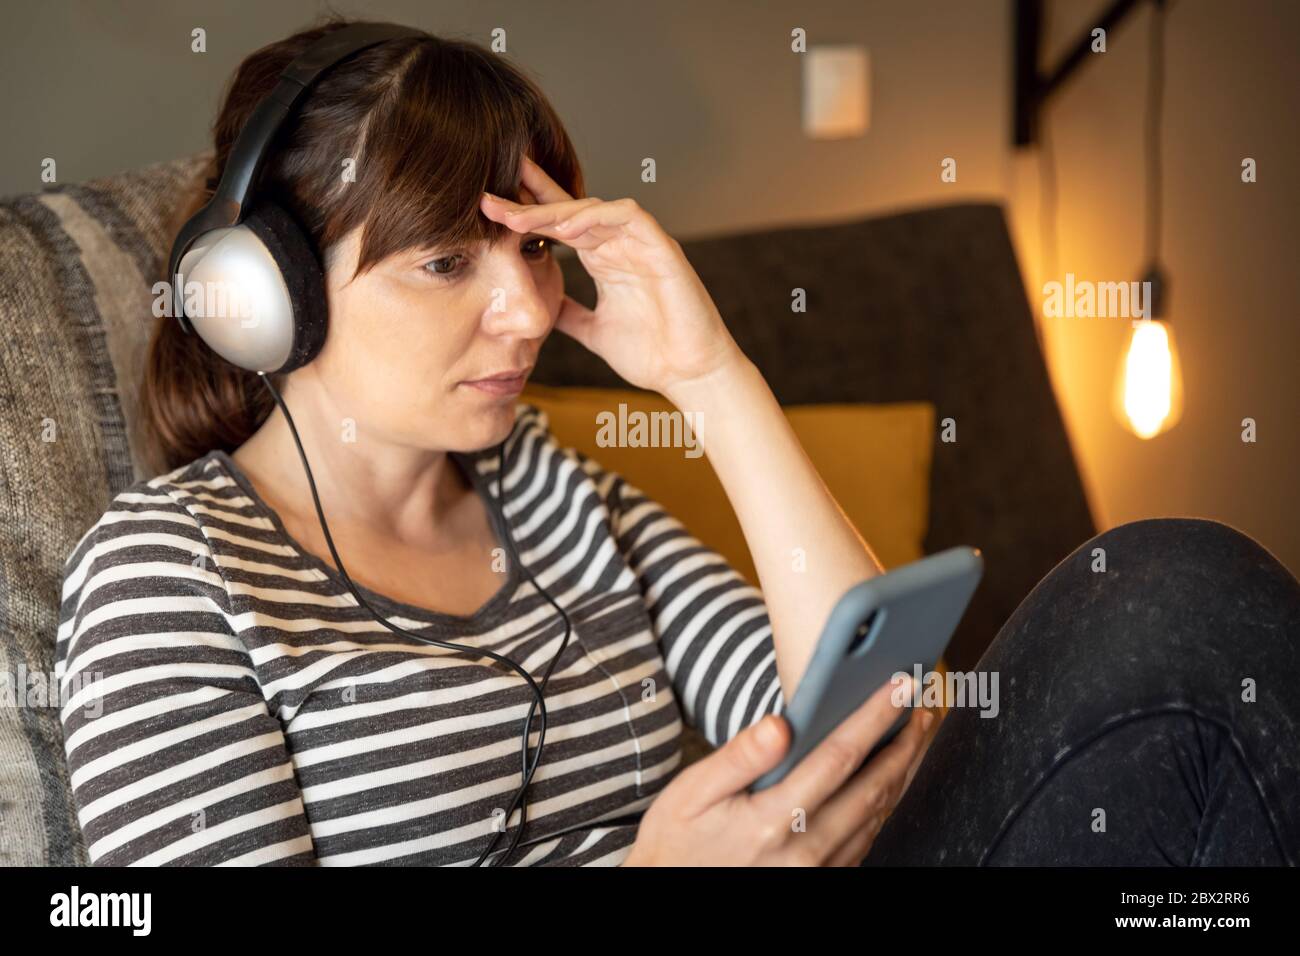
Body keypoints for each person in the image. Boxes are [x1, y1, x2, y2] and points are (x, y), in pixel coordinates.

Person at [56, 18, 1300, 867]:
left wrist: (710, 374)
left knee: (1162, 583)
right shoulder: (168, 577)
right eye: (446, 262)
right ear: (260, 293)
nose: (530, 308)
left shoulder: (556, 498)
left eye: (534, 249)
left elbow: (869, 718)